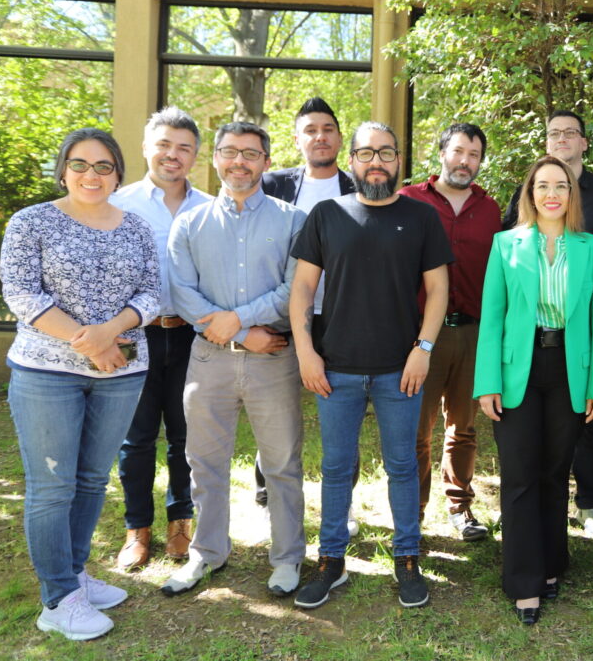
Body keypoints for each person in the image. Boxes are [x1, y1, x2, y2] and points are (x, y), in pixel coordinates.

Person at [0, 128, 160, 640]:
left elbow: (152, 293)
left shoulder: (136, 228)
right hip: (46, 374)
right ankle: (57, 599)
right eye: (80, 164)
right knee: (53, 487)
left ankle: (73, 576)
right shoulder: (32, 222)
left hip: (120, 373)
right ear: (63, 170)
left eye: (103, 166)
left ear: (118, 174)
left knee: (92, 480)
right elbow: (21, 294)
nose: (92, 174)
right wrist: (90, 342)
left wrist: (111, 331)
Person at [290, 121, 451, 610]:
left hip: (399, 369)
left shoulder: (421, 217)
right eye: (366, 153)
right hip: (334, 367)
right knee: (336, 468)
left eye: (385, 152)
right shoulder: (327, 214)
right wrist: (305, 351)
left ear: (398, 160)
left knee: (402, 466)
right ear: (352, 160)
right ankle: (330, 561)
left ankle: (407, 558)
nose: (376, 161)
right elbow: (302, 289)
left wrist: (423, 348)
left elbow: (438, 290)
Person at [162, 122, 307, 599]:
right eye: (229, 152)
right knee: (204, 461)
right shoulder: (190, 223)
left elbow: (295, 290)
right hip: (209, 360)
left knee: (282, 463)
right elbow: (183, 294)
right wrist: (244, 332)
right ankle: (207, 551)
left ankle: (287, 557)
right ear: (216, 159)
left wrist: (239, 319)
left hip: (275, 359)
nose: (239, 161)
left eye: (250, 153)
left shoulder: (293, 220)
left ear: (267, 161)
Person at [475, 156, 593, 625]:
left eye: (561, 186)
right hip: (518, 368)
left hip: (570, 370)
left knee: (555, 473)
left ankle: (552, 563)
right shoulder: (506, 244)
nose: (551, 194)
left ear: (572, 194)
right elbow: (492, 317)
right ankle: (524, 581)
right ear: (530, 194)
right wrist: (487, 382)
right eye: (542, 186)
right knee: (520, 475)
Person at [502, 110, 593, 533]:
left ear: (584, 143)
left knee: (586, 424)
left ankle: (589, 502)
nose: (563, 139)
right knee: (528, 446)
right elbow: (511, 254)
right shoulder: (527, 199)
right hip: (531, 341)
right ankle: (528, 516)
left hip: (580, 328)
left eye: (571, 133)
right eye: (555, 133)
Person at [111, 107, 212, 571]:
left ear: (195, 156)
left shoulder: (210, 207)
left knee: (186, 436)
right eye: (165, 145)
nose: (173, 154)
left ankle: (180, 522)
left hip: (191, 336)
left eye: (184, 148)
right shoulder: (119, 203)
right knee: (136, 438)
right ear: (146, 148)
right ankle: (137, 529)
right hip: (135, 335)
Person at [398, 122, 501, 541]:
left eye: (474, 155)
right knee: (417, 430)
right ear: (442, 153)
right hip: (424, 335)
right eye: (458, 151)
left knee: (464, 427)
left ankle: (460, 507)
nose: (465, 161)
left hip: (473, 333)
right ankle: (414, 513)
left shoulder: (490, 210)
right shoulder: (409, 201)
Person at [258, 96, 356, 519]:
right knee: (275, 411)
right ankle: (269, 496)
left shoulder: (358, 187)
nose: (320, 136)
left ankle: (343, 503)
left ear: (340, 137)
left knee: (344, 414)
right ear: (297, 139)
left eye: (328, 129)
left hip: (340, 317)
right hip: (281, 314)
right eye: (310, 130)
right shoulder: (272, 185)